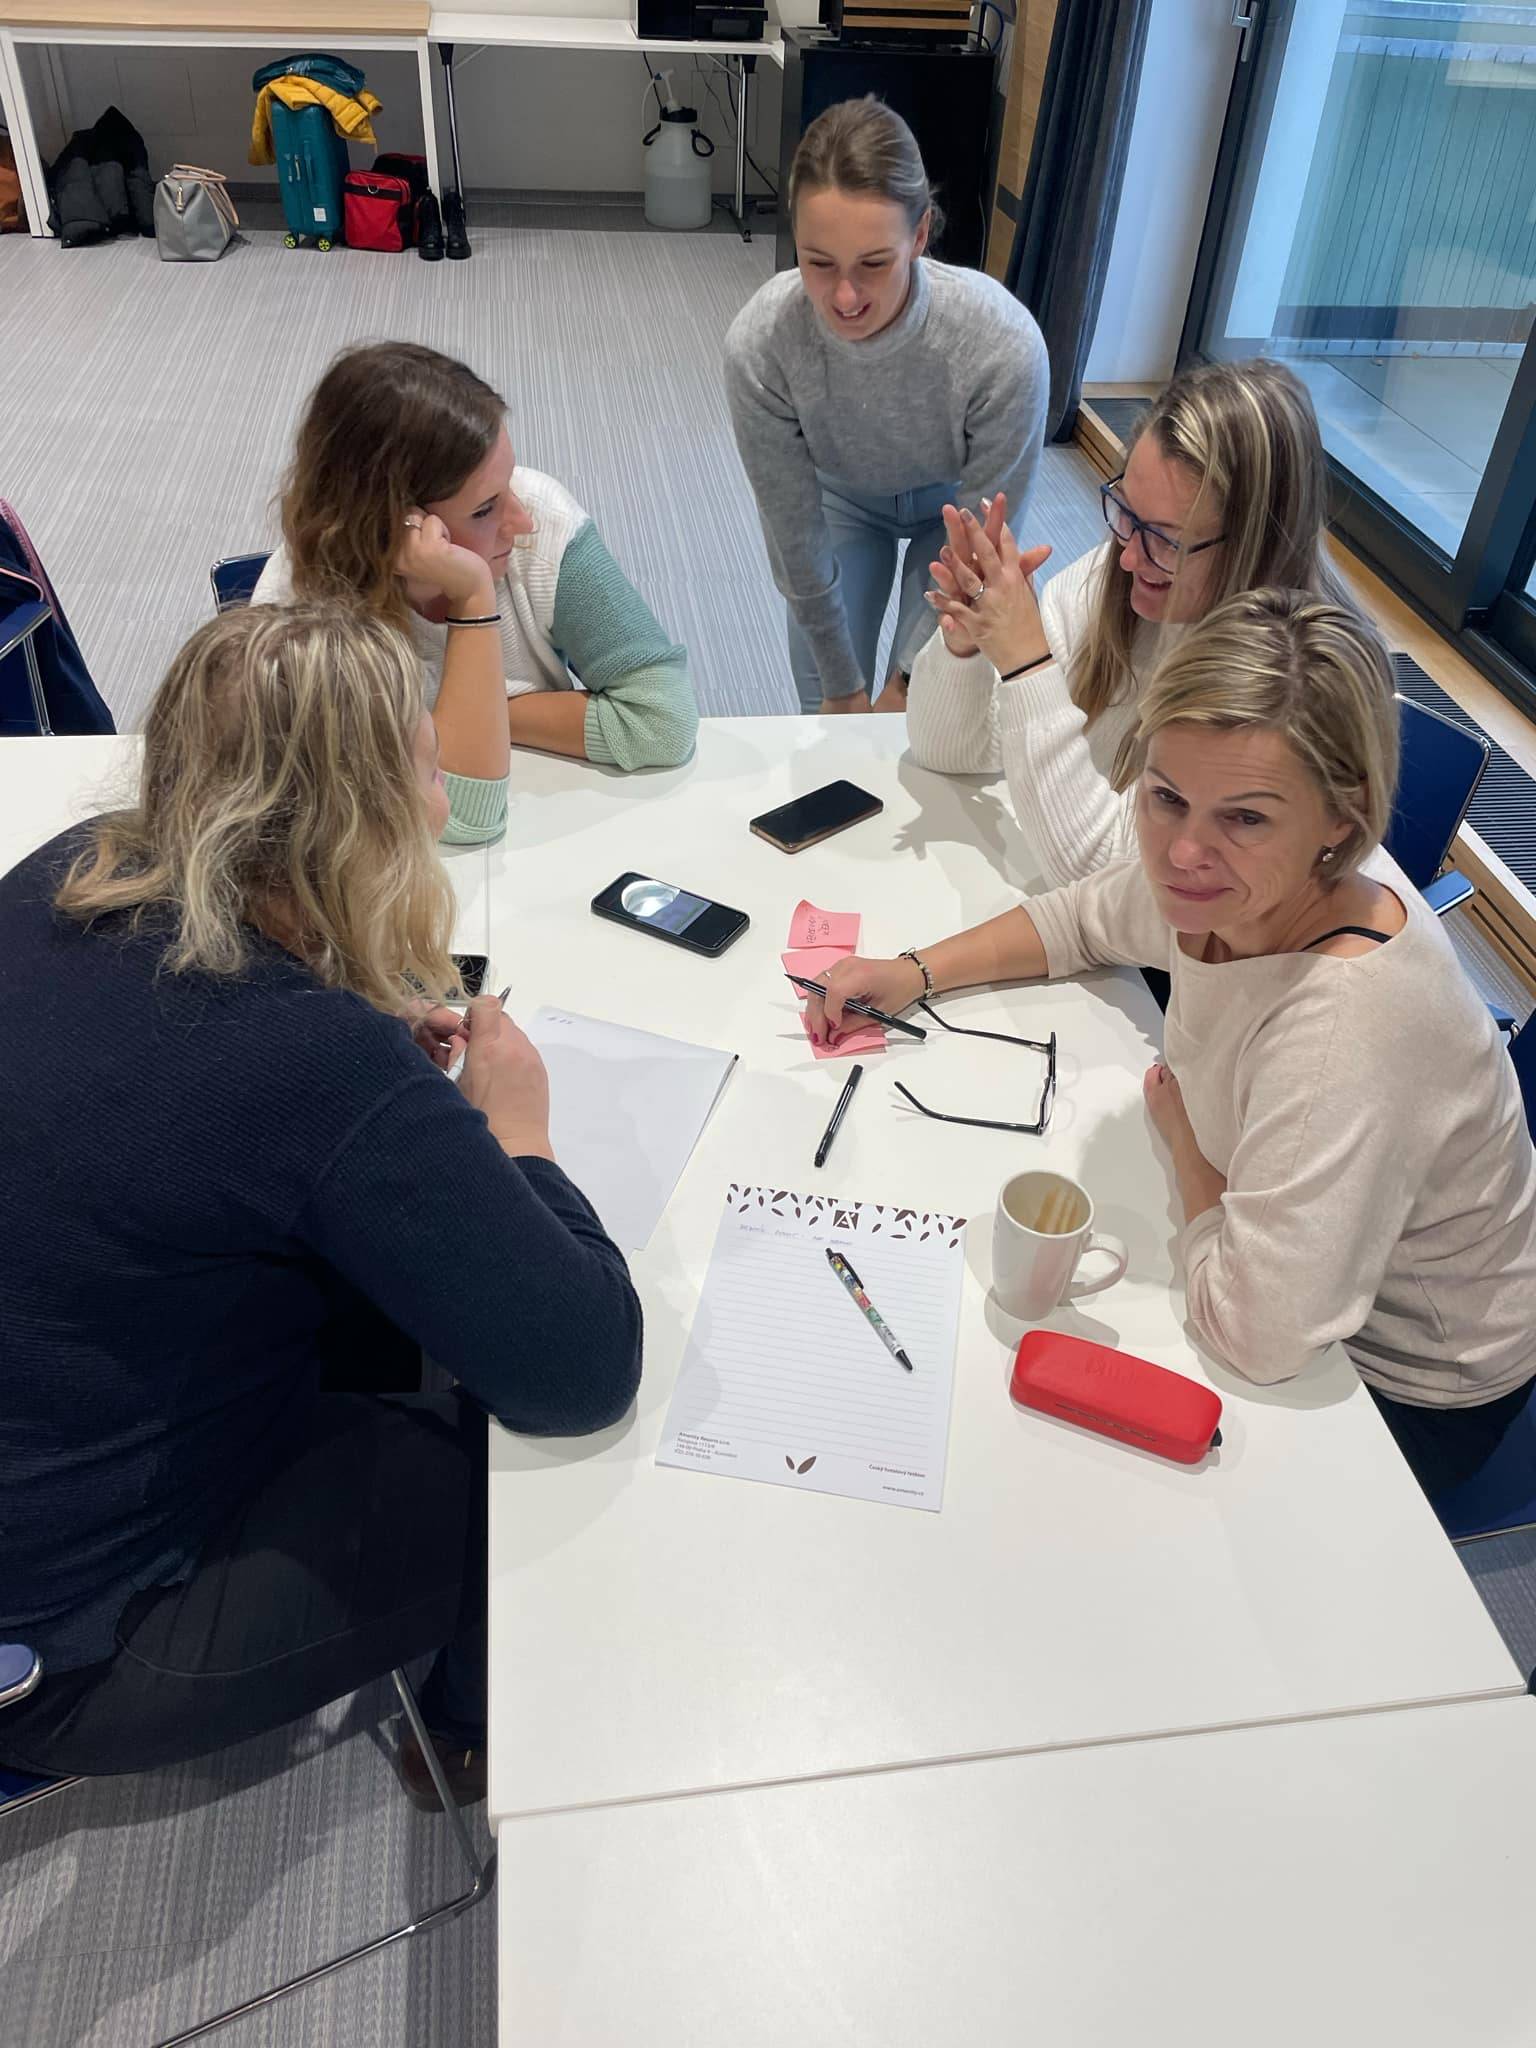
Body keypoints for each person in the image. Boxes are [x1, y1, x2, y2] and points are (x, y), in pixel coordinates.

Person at [0, 602, 643, 1806]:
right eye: (427, 769)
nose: (443, 802)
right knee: (542, 1463)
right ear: (361, 821)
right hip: (73, 1638)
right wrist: (520, 1133)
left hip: (42, 1466)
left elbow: (164, 1090)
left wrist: (357, 1022)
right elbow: (582, 1363)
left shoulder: (74, 864)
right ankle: (467, 1735)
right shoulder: (303, 1061)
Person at [812, 589, 1536, 1521]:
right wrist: (913, 971)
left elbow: (1257, 1337)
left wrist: (1193, 1155)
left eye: (1246, 818)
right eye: (1165, 797)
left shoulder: (1344, 1025)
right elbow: (1082, 917)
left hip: (1409, 1381)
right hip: (1303, 1271)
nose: (1182, 853)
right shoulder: (1240, 890)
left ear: (1341, 819)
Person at [906, 358, 1352, 887]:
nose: (1128, 557)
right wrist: (967, 647)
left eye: (1165, 539)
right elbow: (951, 752)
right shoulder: (1111, 576)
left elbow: (1116, 880)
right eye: (1126, 512)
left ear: (1256, 545)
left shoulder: (1291, 681)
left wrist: (1026, 666)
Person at [254, 341, 698, 846]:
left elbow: (663, 720)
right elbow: (466, 817)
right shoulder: (298, 611)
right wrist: (472, 596)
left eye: (510, 483)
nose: (522, 520)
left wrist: (472, 720)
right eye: (485, 510)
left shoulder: (543, 525)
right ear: (391, 527)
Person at [724, 96, 1048, 718]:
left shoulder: (1001, 344)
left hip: (953, 506)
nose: (845, 297)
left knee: (930, 709)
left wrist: (906, 682)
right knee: (826, 711)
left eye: (874, 264)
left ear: (920, 235)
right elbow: (794, 537)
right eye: (818, 263)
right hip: (841, 496)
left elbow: (984, 540)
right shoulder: (762, 344)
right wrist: (842, 687)